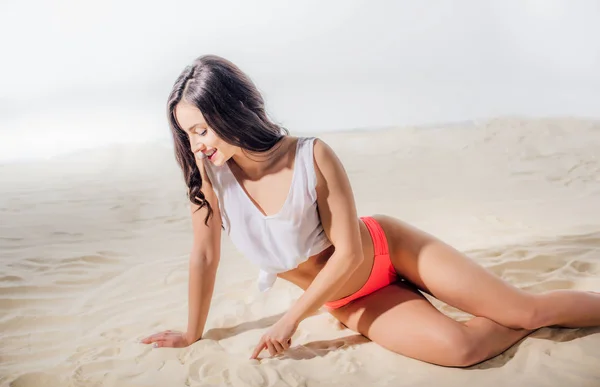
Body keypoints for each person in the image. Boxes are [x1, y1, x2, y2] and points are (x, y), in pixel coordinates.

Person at [141, 55, 600, 367]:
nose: (198, 144)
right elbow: (204, 255)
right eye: (189, 135)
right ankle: (507, 317)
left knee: (527, 310)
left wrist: (290, 319)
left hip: (388, 249)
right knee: (460, 350)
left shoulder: (310, 155)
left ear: (230, 112)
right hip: (348, 297)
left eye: (202, 129)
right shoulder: (209, 178)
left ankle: (521, 314)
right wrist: (191, 332)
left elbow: (350, 255)